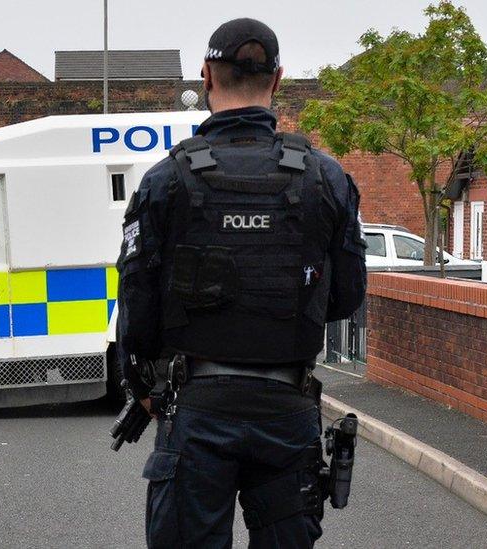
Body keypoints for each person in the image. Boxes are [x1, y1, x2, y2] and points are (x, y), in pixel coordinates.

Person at [116, 18, 367, 548]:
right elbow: (348, 298)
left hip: (197, 410)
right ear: (277, 80)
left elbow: (136, 308)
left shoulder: (165, 179)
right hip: (287, 410)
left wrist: (143, 391)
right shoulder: (327, 179)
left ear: (206, 76)